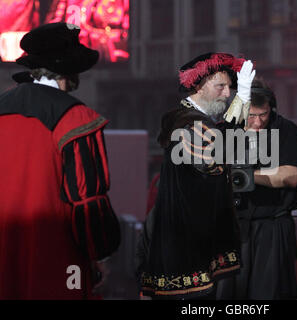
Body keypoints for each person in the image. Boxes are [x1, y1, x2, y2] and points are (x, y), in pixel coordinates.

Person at [0, 22, 121, 299]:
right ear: (71, 70)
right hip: (58, 260)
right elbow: (88, 200)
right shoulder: (76, 119)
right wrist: (101, 255)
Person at [136, 52, 255, 299]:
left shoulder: (192, 120)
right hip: (187, 244)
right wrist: (242, 99)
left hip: (190, 237)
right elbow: (218, 159)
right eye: (221, 86)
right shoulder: (190, 125)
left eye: (229, 88)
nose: (226, 93)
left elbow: (222, 135)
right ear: (198, 86)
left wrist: (243, 97)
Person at [216, 79, 297, 300]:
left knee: (270, 294)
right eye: (251, 116)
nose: (257, 122)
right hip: (232, 226)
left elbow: (291, 176)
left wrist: (247, 176)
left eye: (263, 115)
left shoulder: (284, 129)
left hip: (272, 225)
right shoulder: (225, 131)